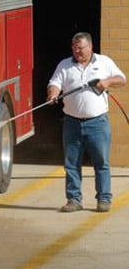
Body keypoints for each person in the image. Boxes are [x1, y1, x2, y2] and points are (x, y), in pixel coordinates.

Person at [47, 32, 126, 213]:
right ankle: (74, 199)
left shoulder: (104, 62)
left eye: (80, 47)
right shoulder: (65, 65)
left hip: (98, 123)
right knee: (72, 163)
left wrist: (107, 81)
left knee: (101, 162)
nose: (77, 51)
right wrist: (53, 93)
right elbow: (55, 83)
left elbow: (122, 79)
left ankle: (104, 199)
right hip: (72, 123)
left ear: (90, 47)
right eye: (74, 48)